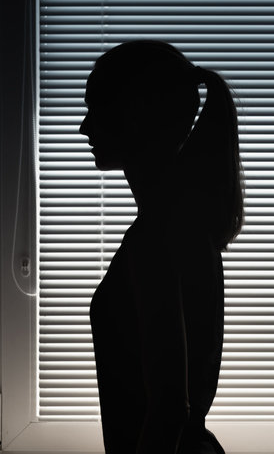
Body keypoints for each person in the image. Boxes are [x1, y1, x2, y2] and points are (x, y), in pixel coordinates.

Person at [80, 40, 243, 454]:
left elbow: (169, 409)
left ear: (135, 115)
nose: (84, 127)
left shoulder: (156, 238)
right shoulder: (181, 224)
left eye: (96, 109)